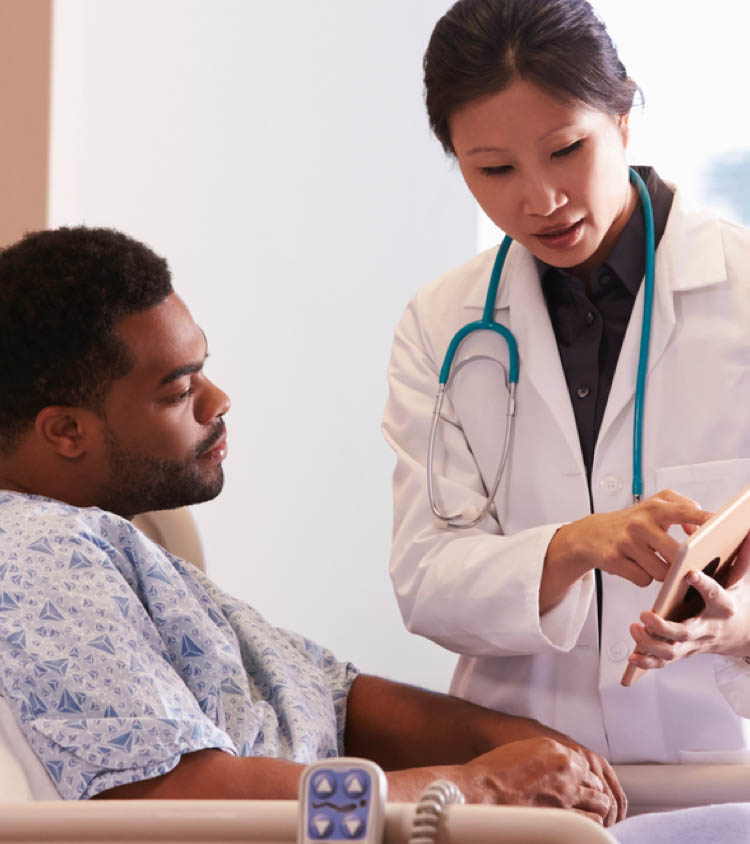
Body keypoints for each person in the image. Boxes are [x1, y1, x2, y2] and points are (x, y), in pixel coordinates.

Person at [0, 226, 625, 825]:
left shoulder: (111, 544)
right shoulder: (37, 556)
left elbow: (332, 700)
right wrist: (480, 788)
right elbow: (185, 802)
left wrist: (519, 740)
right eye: (179, 389)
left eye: (202, 368)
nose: (217, 401)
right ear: (65, 431)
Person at [382, 0, 750, 765]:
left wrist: (737, 627)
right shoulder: (442, 323)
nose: (539, 198)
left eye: (565, 150)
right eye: (494, 170)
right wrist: (573, 545)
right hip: (526, 773)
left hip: (720, 772)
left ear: (621, 116)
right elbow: (425, 578)